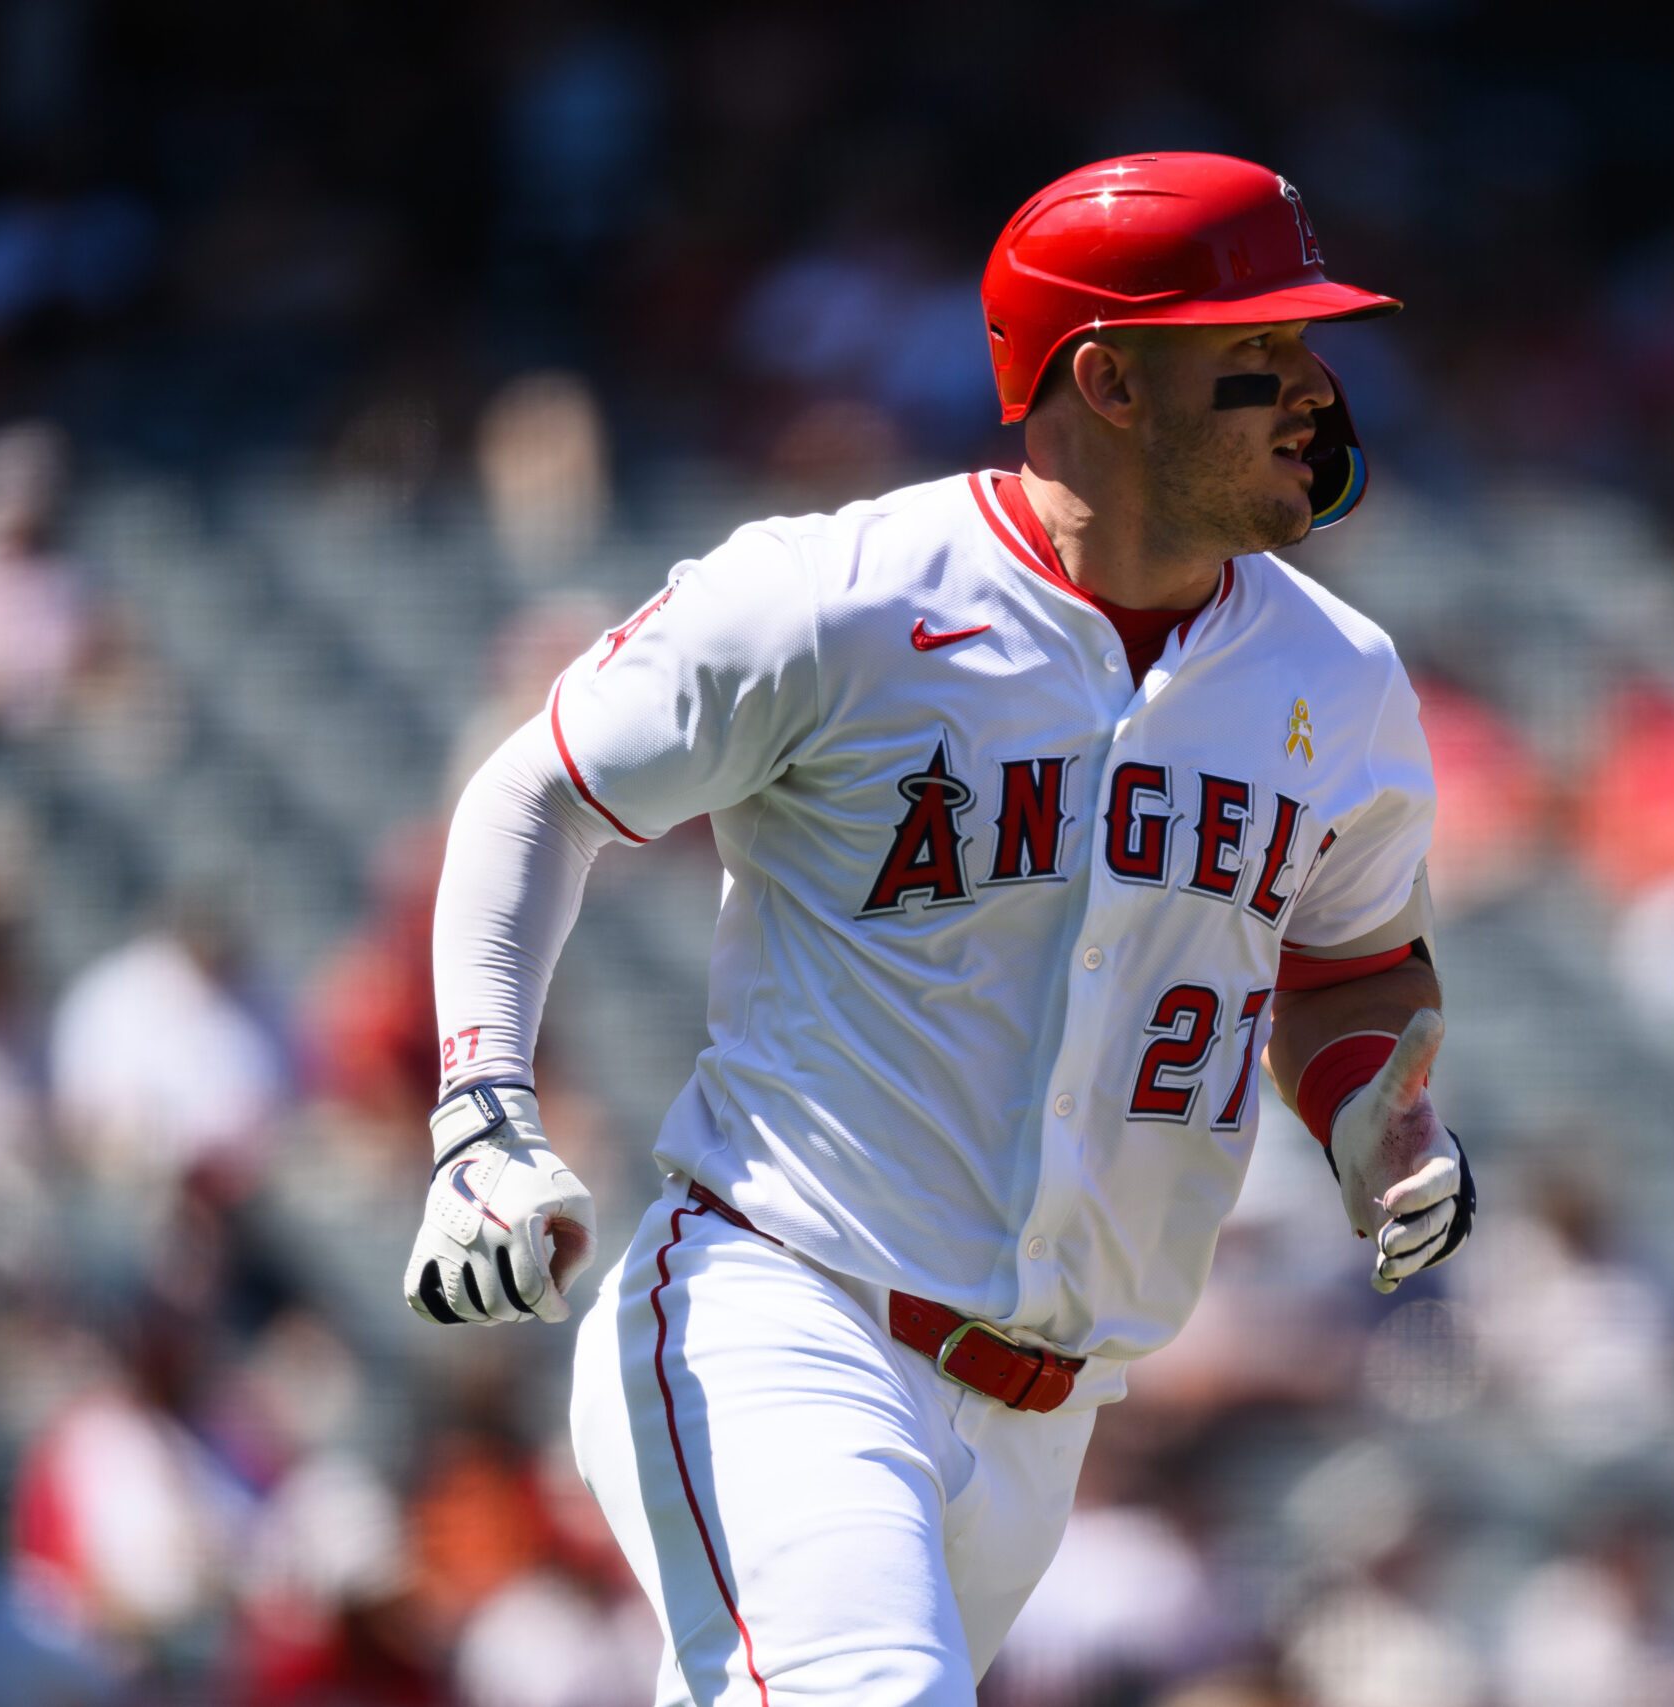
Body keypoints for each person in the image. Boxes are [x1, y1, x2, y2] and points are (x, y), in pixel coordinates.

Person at [403, 152, 1476, 1706]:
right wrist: (483, 1106)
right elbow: (537, 795)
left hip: (1049, 1415)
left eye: (1307, 346)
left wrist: (1373, 1112)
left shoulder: (1342, 676)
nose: (1314, 390)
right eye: (1259, 352)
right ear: (1108, 380)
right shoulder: (838, 596)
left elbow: (1350, 964)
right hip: (786, 1312)